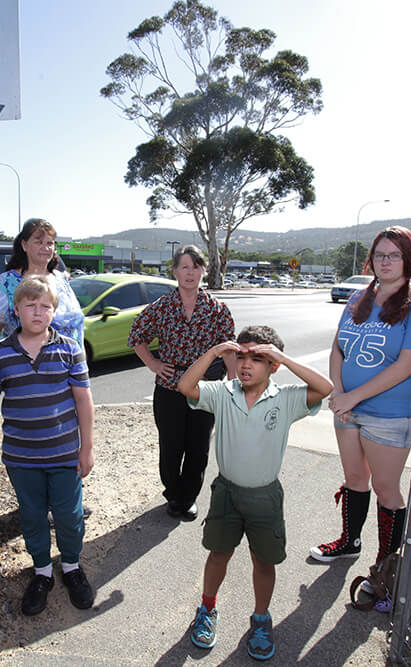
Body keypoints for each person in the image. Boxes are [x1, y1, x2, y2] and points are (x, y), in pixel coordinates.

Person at [177, 326, 333, 661]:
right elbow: (185, 386)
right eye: (241, 356)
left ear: (273, 365)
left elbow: (326, 388)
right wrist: (214, 353)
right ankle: (207, 609)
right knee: (219, 553)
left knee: (264, 560)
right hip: (227, 493)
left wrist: (283, 358)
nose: (246, 364)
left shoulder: (287, 398)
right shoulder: (223, 392)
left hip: (265, 497)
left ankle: (261, 618)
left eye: (258, 358)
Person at [310, 226, 411, 611]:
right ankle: (349, 541)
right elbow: (338, 346)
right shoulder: (358, 297)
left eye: (393, 255)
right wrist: (337, 390)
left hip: (389, 413)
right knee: (354, 479)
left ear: (408, 261)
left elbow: (405, 366)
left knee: (386, 489)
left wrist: (352, 396)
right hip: (348, 408)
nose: (384, 261)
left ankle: (386, 566)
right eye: (379, 254)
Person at [0, 274, 96, 616]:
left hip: (64, 454)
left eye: (46, 307)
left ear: (54, 312)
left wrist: (87, 448)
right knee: (33, 516)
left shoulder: (70, 349)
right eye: (30, 305)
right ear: (17, 309)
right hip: (22, 457)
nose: (38, 312)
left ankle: (70, 565)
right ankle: (41, 571)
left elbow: (84, 401)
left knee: (69, 516)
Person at [128, 245, 235, 521]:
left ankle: (188, 498)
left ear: (203, 270)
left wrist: (233, 384)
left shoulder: (217, 309)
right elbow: (136, 336)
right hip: (170, 387)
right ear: (175, 271)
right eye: (184, 267)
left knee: (198, 446)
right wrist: (153, 363)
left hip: (205, 388)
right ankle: (173, 493)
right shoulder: (162, 307)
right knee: (171, 444)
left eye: (195, 267)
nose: (190, 273)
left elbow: (229, 349)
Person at [0, 218, 84, 361]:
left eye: (49, 243)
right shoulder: (7, 283)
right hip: (28, 375)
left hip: (71, 372)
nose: (45, 248)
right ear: (24, 245)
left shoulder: (61, 279)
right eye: (38, 242)